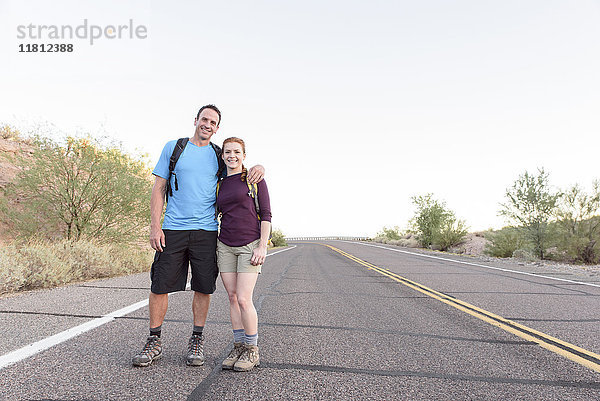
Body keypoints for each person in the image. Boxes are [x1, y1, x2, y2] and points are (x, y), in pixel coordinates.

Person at [132, 105, 265, 367]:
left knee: (203, 287)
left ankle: (197, 340)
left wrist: (258, 166)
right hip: (172, 229)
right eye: (204, 119)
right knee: (160, 285)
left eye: (213, 122)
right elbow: (159, 188)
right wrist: (154, 226)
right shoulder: (175, 148)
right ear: (196, 120)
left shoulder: (218, 155)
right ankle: (154, 340)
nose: (208, 124)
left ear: (217, 128)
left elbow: (239, 169)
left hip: (206, 232)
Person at [216, 137, 271, 372]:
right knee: (231, 297)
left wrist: (262, 246)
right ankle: (238, 346)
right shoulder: (219, 183)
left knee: (243, 299)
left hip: (249, 244)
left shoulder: (254, 179)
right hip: (225, 245)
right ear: (222, 155)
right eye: (228, 152)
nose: (232, 156)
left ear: (244, 155)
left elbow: (266, 214)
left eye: (237, 152)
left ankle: (252, 349)